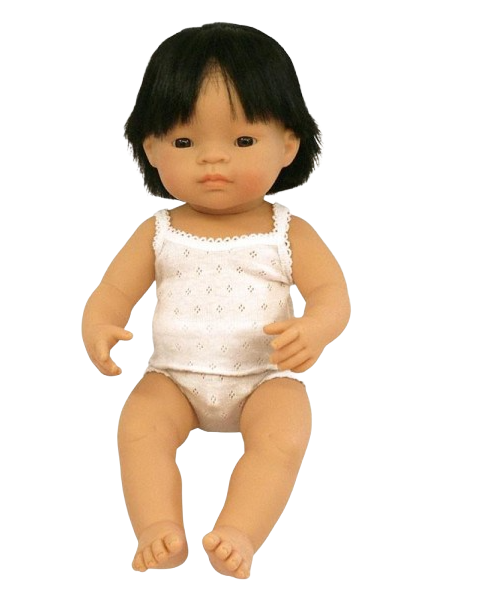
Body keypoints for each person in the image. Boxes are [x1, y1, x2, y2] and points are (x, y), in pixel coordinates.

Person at [82, 21, 351, 579]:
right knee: (138, 426)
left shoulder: (285, 231)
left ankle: (239, 532)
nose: (213, 160)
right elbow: (112, 292)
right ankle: (157, 529)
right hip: (174, 378)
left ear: (288, 144)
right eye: (185, 143)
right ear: (151, 147)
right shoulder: (159, 232)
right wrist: (101, 322)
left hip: (264, 379)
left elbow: (333, 293)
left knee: (284, 432)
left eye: (242, 141)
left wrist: (316, 328)